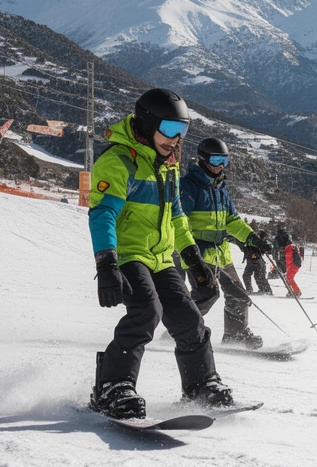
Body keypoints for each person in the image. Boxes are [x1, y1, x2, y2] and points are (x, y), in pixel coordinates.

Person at [87, 87, 233, 419]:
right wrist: (107, 263)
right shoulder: (118, 161)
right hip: (127, 255)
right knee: (146, 311)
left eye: (182, 131)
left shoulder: (167, 165)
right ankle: (112, 387)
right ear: (148, 123)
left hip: (161, 256)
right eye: (169, 130)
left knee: (189, 318)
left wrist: (194, 260)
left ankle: (202, 385)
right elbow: (103, 214)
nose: (175, 139)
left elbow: (177, 216)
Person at [179, 136, 272, 350]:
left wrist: (251, 238)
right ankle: (183, 329)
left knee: (238, 295)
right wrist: (189, 249)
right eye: (215, 160)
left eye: (224, 160)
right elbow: (179, 220)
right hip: (198, 253)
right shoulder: (189, 186)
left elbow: (231, 220)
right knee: (207, 295)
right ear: (203, 159)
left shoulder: (221, 188)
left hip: (221, 253)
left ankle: (235, 334)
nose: (220, 166)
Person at [242, 226, 274, 295]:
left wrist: (266, 248)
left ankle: (266, 290)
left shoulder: (258, 241)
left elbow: (268, 248)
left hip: (257, 261)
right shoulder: (250, 240)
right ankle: (262, 290)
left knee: (257, 276)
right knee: (252, 276)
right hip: (252, 260)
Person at [282, 232, 303, 297]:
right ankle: (291, 291)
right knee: (287, 278)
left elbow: (288, 257)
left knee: (289, 278)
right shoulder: (290, 247)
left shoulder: (290, 247)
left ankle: (297, 292)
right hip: (293, 265)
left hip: (294, 265)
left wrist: (282, 254)